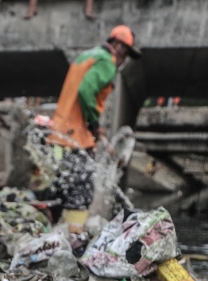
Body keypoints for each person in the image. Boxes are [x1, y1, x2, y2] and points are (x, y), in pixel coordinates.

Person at [46, 26, 141, 231]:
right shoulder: (106, 62)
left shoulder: (86, 56)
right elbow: (86, 90)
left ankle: (48, 226)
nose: (125, 59)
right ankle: (73, 234)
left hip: (61, 132)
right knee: (83, 187)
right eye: (126, 52)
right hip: (75, 134)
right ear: (118, 45)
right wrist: (94, 124)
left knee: (62, 185)